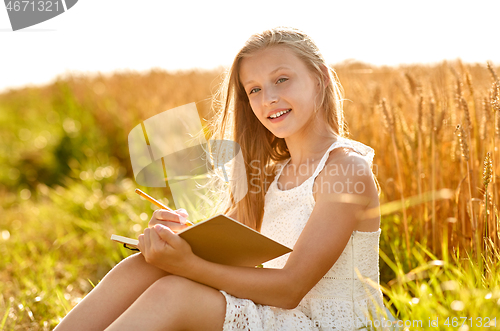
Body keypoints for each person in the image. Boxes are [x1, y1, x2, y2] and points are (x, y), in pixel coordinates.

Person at [54, 26, 386, 331]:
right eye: (254, 89)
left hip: (333, 324)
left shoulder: (345, 169)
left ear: (321, 78)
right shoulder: (268, 177)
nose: (268, 97)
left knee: (175, 293)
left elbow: (290, 289)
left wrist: (186, 265)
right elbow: (222, 252)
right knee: (143, 266)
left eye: (282, 79)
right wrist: (179, 239)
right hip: (284, 317)